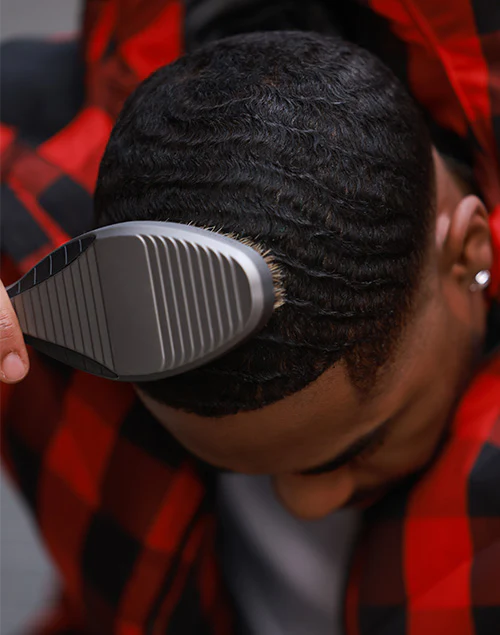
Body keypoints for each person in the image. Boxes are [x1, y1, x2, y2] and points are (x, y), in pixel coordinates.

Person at [0, 6, 499, 635]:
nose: (302, 504)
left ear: (469, 253)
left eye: (356, 449)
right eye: (237, 473)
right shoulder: (26, 218)